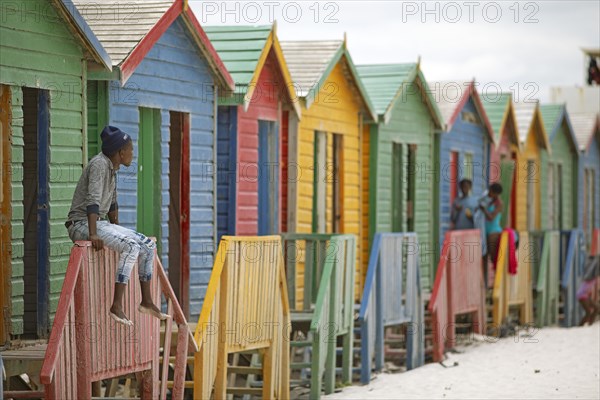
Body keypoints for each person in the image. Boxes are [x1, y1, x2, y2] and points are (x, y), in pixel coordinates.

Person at [65, 126, 167, 326]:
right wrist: (93, 234)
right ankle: (116, 305)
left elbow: (112, 205)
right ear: (120, 152)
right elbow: (93, 200)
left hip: (97, 222)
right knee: (131, 246)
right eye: (130, 149)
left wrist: (118, 231)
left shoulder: (112, 168)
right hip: (81, 224)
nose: (132, 154)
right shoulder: (99, 165)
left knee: (147, 244)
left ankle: (146, 301)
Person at [479, 183, 504, 285]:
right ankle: (485, 284)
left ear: (496, 193)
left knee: (494, 258)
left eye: (492, 192)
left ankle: (497, 283)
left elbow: (491, 217)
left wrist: (483, 209)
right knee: (484, 257)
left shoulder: (499, 204)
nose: (490, 193)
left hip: (494, 231)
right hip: (484, 230)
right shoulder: (488, 201)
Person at [578, 256, 599, 326]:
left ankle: (590, 324)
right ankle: (579, 326)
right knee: (588, 312)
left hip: (586, 296)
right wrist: (596, 260)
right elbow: (592, 269)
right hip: (581, 296)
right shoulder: (589, 277)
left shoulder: (594, 277)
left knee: (597, 308)